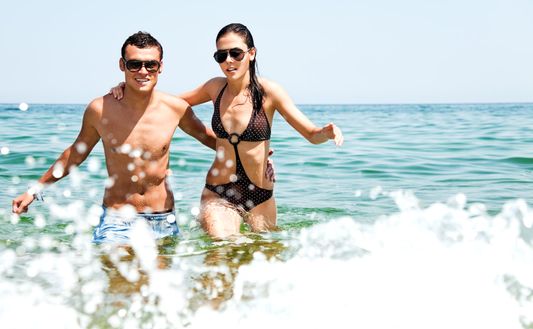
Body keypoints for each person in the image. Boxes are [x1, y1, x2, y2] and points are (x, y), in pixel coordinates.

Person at [111, 23, 343, 240]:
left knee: (266, 253)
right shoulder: (215, 87)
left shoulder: (270, 93)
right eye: (221, 56)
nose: (228, 61)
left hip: (261, 193)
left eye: (236, 53)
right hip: (219, 192)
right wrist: (128, 88)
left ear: (251, 53)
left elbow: (311, 134)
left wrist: (326, 132)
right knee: (225, 247)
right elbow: (167, 103)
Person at [11, 31, 220, 244]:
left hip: (163, 219)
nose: (143, 71)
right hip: (117, 219)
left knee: (161, 274)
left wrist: (253, 161)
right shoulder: (100, 109)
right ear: (122, 65)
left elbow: (211, 140)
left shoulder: (175, 108)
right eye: (134, 64)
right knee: (117, 275)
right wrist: (35, 189)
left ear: (161, 67)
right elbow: (75, 154)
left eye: (151, 65)